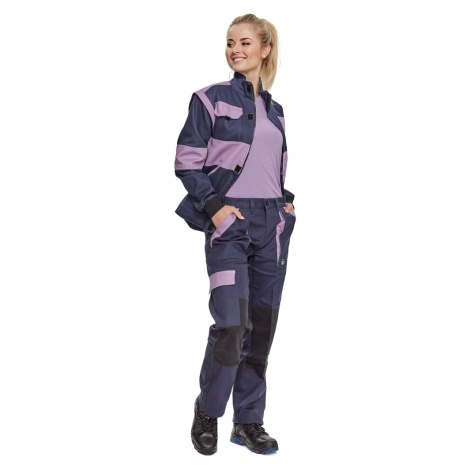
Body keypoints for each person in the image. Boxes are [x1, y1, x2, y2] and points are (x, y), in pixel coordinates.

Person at [174, 13, 296, 455]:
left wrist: (285, 203)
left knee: (260, 330)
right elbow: (187, 161)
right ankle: (208, 411)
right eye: (230, 42)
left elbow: (269, 167)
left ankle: (248, 422)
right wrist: (216, 208)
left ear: (265, 49)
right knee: (232, 325)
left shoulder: (276, 111)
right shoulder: (209, 99)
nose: (235, 49)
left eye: (245, 42)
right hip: (229, 225)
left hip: (272, 226)